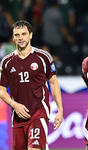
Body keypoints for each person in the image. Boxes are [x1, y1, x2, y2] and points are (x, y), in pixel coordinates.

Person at [0, 20, 63, 150]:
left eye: (24, 34)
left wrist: (60, 109)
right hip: (17, 116)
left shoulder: (43, 57)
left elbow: (53, 83)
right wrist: (14, 105)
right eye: (17, 35)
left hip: (38, 112)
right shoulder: (6, 62)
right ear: (13, 37)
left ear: (31, 35)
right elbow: (1, 90)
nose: (20, 38)